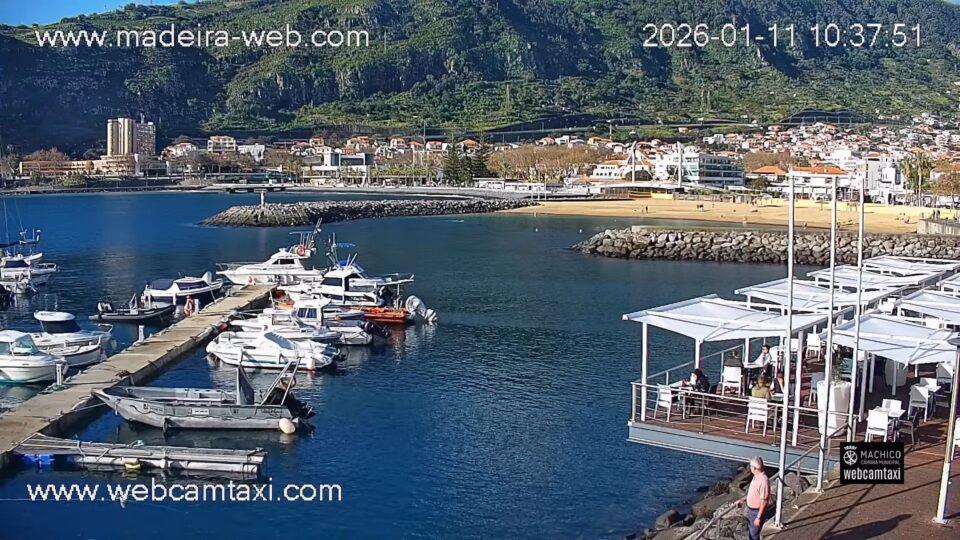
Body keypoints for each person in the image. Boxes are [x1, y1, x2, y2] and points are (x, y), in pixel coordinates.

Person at [739, 456, 770, 540]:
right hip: (752, 510)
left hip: (756, 512)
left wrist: (758, 518)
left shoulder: (763, 480)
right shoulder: (756, 476)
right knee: (752, 533)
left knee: (754, 535)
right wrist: (744, 499)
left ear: (754, 468)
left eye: (751, 466)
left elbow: (764, 501)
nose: (750, 468)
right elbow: (754, 493)